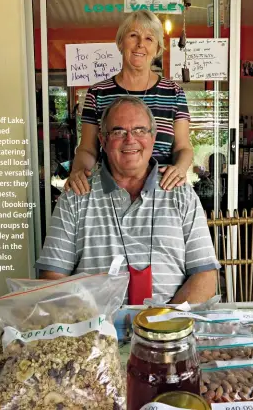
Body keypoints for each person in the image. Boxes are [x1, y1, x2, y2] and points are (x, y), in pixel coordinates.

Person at [36, 96, 219, 305]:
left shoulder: (181, 194)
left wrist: (163, 324)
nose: (130, 139)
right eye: (118, 131)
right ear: (103, 141)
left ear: (153, 137)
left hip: (169, 329)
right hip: (96, 330)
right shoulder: (75, 196)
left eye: (140, 130)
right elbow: (52, 278)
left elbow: (205, 276)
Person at [65, 10, 193, 195]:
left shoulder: (174, 93)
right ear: (120, 43)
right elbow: (87, 149)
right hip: (111, 194)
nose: (141, 44)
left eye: (149, 38)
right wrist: (78, 172)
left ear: (157, 48)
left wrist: (180, 169)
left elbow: (183, 147)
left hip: (163, 193)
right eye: (133, 35)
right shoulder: (98, 93)